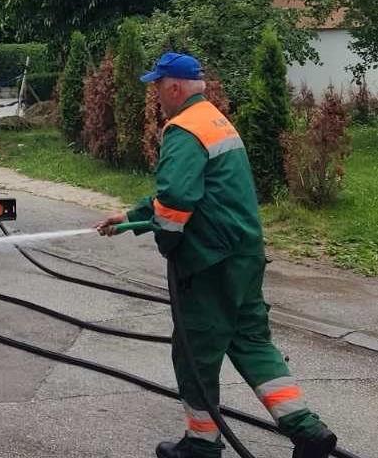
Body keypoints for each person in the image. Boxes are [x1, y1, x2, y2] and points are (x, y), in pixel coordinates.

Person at [96, 52, 337, 458]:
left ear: (174, 87)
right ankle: (307, 429)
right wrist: (132, 217)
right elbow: (199, 191)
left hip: (210, 262)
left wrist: (169, 245)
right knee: (251, 342)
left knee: (194, 353)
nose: (156, 95)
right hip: (244, 255)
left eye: (158, 86)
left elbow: (176, 200)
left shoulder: (183, 129)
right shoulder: (213, 120)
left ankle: (202, 444)